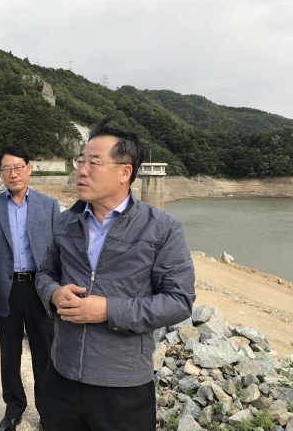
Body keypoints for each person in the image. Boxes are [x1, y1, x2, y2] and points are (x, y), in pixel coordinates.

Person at [35, 117, 196, 431]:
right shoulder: (66, 222)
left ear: (125, 172)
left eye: (94, 163)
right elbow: (44, 273)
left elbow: (179, 300)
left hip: (123, 385)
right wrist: (53, 293)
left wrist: (109, 310)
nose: (81, 171)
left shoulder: (162, 228)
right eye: (80, 161)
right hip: (62, 375)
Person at [0, 145, 60, 431]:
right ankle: (13, 408)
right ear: (0, 173)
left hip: (40, 289)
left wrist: (58, 289)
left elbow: (58, 251)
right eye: (7, 169)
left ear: (29, 168)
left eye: (18, 167)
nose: (13, 174)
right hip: (5, 289)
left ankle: (48, 411)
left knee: (44, 352)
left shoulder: (49, 205)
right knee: (9, 353)